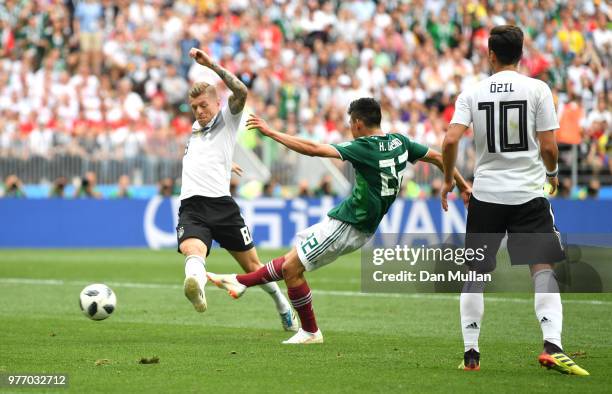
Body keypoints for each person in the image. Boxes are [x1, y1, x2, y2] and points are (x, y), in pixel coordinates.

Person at [208, 98, 471, 344]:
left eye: (350, 124)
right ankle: (243, 284)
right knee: (291, 263)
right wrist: (460, 185)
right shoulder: (400, 141)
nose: (350, 129)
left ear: (358, 124)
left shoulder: (363, 147)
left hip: (351, 226)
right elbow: (438, 157)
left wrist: (272, 133)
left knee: (291, 269)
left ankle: (288, 315)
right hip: (345, 217)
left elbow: (314, 149)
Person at [441, 25, 589, 375]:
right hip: (527, 194)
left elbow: (449, 141)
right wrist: (551, 175)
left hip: (487, 195)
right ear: (521, 54)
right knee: (542, 269)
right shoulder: (538, 89)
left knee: (475, 273)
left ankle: (471, 355)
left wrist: (449, 177)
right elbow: (549, 147)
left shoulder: (472, 93)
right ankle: (552, 345)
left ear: (490, 55)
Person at [177, 47, 297, 332]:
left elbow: (241, 91)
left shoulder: (228, 118)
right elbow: (205, 155)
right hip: (192, 206)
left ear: (217, 102)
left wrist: (212, 66)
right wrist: (225, 163)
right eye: (194, 108)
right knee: (192, 251)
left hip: (222, 207)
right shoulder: (195, 129)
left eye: (204, 105)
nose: (199, 111)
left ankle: (282, 306)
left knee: (254, 266)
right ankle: (197, 285)